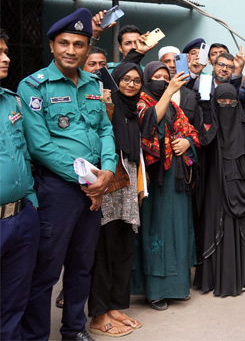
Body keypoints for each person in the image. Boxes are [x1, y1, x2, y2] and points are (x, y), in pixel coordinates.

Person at [19, 8, 117, 341]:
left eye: (79, 44)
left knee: (82, 264)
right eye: (64, 43)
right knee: (46, 269)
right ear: (52, 46)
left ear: (88, 48)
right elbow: (40, 147)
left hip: (94, 188)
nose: (71, 50)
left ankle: (73, 330)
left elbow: (105, 127)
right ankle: (35, 335)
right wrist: (89, 181)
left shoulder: (93, 82)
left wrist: (107, 170)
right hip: (58, 191)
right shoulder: (34, 86)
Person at [131, 62, 199, 311]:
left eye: (165, 76)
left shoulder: (174, 107)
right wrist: (169, 90)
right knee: (157, 231)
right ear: (148, 79)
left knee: (178, 231)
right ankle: (154, 291)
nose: (161, 80)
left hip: (176, 182)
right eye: (156, 77)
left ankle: (178, 287)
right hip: (154, 179)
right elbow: (148, 126)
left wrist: (185, 142)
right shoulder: (140, 102)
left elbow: (191, 131)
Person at [194, 83, 245, 296]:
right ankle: (215, 278)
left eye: (232, 102)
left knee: (243, 227)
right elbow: (202, 147)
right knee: (216, 225)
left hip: (242, 184)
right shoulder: (210, 128)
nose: (227, 106)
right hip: (215, 187)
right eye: (221, 102)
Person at [88, 63, 145, 337]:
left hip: (129, 184)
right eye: (126, 79)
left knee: (124, 248)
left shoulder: (135, 111)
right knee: (104, 249)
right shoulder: (109, 105)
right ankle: (98, 315)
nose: (131, 85)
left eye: (136, 80)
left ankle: (115, 306)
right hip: (108, 184)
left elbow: (138, 154)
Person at [0, 29, 40, 341]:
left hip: (21, 218)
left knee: (13, 304)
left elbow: (23, 153)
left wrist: (32, 206)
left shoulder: (11, 102)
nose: (7, 58)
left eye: (6, 50)